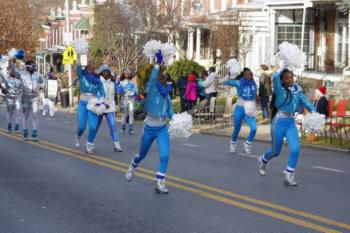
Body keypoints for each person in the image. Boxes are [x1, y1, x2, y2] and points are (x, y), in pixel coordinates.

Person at [125, 50, 173, 194]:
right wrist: (157, 64)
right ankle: (132, 166)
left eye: (166, 78)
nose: (164, 79)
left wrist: (178, 121)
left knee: (165, 155)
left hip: (162, 128)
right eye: (161, 78)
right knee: (142, 154)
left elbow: (170, 112)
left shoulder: (167, 96)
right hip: (149, 128)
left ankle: (159, 182)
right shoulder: (152, 90)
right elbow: (152, 78)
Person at [258, 69, 315, 186]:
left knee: (295, 149)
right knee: (275, 152)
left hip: (290, 123)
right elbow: (275, 77)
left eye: (291, 77)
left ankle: (289, 174)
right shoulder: (279, 90)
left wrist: (315, 114)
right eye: (287, 78)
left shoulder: (297, 90)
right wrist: (282, 66)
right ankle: (263, 160)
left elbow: (306, 102)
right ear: (282, 80)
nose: (290, 79)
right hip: (278, 123)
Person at [223, 67, 257, 155]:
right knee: (237, 129)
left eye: (251, 74)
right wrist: (228, 75)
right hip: (239, 108)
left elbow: (255, 96)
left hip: (249, 109)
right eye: (247, 74)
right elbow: (225, 82)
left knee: (253, 128)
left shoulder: (254, 84)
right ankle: (233, 144)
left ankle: (247, 144)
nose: (249, 76)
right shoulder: (239, 83)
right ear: (244, 76)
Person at [75, 57, 105, 154]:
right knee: (82, 127)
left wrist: (101, 101)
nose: (92, 71)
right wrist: (78, 55)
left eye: (93, 69)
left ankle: (89, 145)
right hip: (83, 104)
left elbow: (103, 92)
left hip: (93, 105)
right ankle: (78, 136)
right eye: (90, 69)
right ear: (86, 69)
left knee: (93, 127)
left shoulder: (98, 80)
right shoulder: (82, 76)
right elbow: (78, 67)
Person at [15, 60, 45, 141]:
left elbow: (43, 81)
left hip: (35, 97)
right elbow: (15, 71)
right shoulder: (22, 74)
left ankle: (35, 133)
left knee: (35, 115)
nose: (34, 67)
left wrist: (41, 87)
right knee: (26, 116)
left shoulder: (37, 74)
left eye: (34, 66)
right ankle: (25, 132)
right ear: (28, 67)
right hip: (25, 97)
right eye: (33, 66)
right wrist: (23, 67)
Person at [96, 65, 122, 152]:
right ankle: (91, 143)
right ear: (101, 72)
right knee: (95, 126)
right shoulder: (98, 81)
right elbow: (95, 93)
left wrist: (117, 82)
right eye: (105, 71)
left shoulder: (113, 82)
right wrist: (101, 103)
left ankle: (117, 145)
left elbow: (120, 91)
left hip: (110, 107)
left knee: (113, 126)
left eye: (108, 71)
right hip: (99, 106)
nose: (106, 72)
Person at [0, 62, 22, 134]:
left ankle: (9, 129)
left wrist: (3, 88)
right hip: (17, 99)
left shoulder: (7, 80)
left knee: (9, 114)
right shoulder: (20, 81)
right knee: (17, 114)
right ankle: (16, 128)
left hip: (9, 99)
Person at [117, 68, 138, 135]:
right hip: (124, 100)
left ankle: (130, 129)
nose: (127, 75)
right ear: (123, 74)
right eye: (126, 73)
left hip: (131, 100)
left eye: (129, 74)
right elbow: (119, 92)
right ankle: (123, 128)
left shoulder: (133, 82)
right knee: (124, 114)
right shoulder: (121, 82)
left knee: (131, 113)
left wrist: (134, 93)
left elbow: (136, 91)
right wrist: (121, 91)